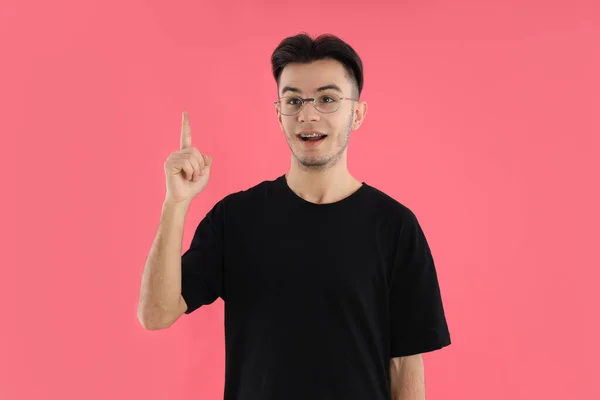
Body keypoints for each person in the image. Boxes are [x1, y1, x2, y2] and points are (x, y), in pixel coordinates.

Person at [137, 32, 451, 400]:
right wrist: (175, 204)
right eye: (294, 101)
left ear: (358, 112)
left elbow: (405, 366)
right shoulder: (236, 219)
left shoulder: (396, 227)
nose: (308, 114)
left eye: (327, 99)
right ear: (279, 113)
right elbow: (156, 314)